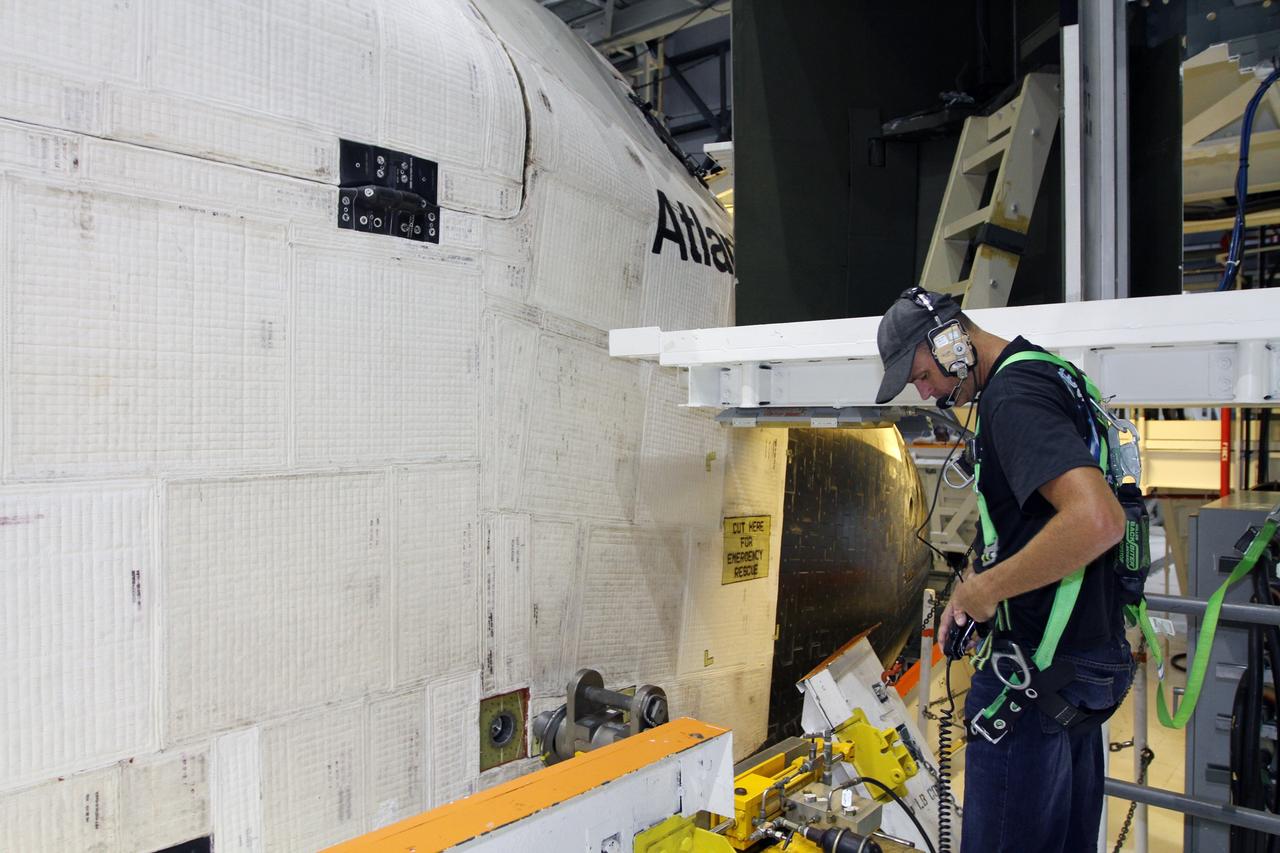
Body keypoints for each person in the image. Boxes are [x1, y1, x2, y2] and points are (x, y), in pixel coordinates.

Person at [874, 287, 1135, 853]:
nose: (928, 393)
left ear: (949, 341)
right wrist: (977, 575)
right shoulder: (1048, 371)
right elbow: (1037, 521)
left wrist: (980, 594)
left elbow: (1097, 520)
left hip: (1034, 677)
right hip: (1082, 668)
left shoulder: (1011, 397)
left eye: (922, 376)